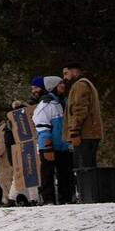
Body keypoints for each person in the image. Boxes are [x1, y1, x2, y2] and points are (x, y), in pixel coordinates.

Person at [34, 76, 73, 204]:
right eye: (60, 83)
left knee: (65, 174)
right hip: (50, 147)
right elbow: (42, 127)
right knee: (48, 174)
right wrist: (47, 146)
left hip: (63, 146)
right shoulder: (45, 105)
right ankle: (48, 200)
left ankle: (66, 198)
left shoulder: (63, 103)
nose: (63, 85)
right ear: (53, 87)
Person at [63, 63, 103, 169]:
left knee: (84, 170)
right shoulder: (85, 84)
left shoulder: (80, 85)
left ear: (74, 71)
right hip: (88, 134)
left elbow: (79, 110)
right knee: (87, 168)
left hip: (85, 135)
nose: (64, 77)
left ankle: (87, 186)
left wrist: (74, 132)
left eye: (66, 73)